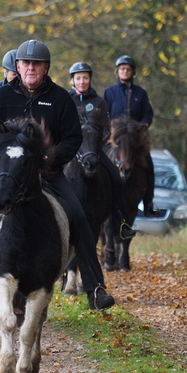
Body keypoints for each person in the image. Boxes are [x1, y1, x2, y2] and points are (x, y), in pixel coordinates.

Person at [0, 39, 116, 311]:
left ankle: (95, 285)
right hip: (6, 176)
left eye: (36, 64)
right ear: (17, 66)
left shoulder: (60, 98)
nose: (30, 68)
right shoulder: (1, 96)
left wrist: (53, 158)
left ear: (46, 67)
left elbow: (73, 138)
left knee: (79, 215)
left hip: (46, 174)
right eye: (26, 63)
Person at [68, 61, 135, 240]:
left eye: (85, 78)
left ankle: (123, 222)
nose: (82, 81)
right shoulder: (66, 101)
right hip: (71, 152)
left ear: (90, 80)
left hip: (94, 151)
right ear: (72, 81)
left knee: (116, 178)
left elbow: (107, 130)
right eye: (78, 78)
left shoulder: (99, 102)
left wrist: (95, 148)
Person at [103, 55, 160, 217]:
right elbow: (103, 112)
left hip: (135, 139)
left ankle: (148, 203)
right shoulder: (109, 92)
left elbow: (148, 114)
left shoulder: (140, 93)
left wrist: (143, 124)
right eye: (122, 69)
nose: (125, 71)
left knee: (148, 163)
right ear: (117, 71)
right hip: (115, 139)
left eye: (128, 69)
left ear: (133, 72)